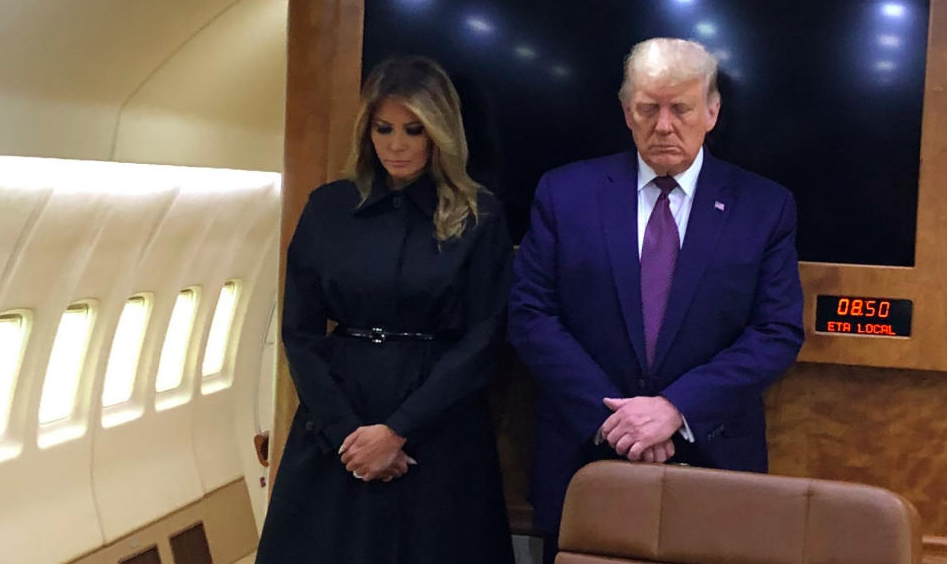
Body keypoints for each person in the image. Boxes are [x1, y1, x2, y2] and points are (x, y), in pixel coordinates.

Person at [508, 38, 804, 563]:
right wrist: (618, 422)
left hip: (714, 459)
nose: (663, 125)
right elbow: (531, 315)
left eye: (681, 109)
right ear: (627, 112)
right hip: (586, 455)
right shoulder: (564, 193)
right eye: (648, 108)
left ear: (711, 112)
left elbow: (775, 331)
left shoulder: (764, 207)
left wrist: (675, 408)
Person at [256, 55, 514, 563]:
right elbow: (300, 332)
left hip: (438, 419)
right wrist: (344, 432)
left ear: (439, 132)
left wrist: (398, 430)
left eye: (414, 130)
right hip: (339, 421)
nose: (397, 145)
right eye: (384, 128)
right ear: (366, 130)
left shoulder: (478, 214)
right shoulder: (328, 208)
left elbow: (484, 336)